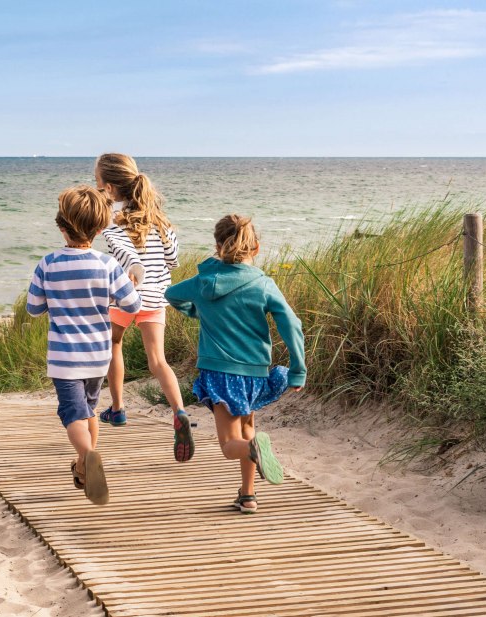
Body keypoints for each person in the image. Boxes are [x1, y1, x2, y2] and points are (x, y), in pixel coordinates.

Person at [164, 214, 306, 514]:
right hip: (255, 374)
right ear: (256, 248)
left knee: (231, 444)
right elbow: (291, 323)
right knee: (248, 428)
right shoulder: (263, 284)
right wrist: (298, 369)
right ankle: (248, 494)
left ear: (217, 247)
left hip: (221, 373)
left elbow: (171, 295)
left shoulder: (203, 282)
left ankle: (253, 451)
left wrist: (197, 310)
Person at [26, 185, 142, 505]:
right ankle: (83, 466)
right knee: (89, 409)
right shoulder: (107, 265)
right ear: (101, 229)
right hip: (98, 356)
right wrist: (130, 284)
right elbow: (132, 305)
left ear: (61, 227)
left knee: (72, 414)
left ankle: (87, 454)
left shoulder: (48, 264)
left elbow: (33, 308)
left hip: (65, 358)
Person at [94, 153, 194, 463]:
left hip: (126, 294)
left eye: (97, 183)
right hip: (155, 297)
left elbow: (122, 252)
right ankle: (179, 411)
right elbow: (173, 259)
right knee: (158, 360)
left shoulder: (114, 221)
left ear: (110, 189)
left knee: (114, 343)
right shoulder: (159, 221)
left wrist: (134, 267)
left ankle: (118, 409)